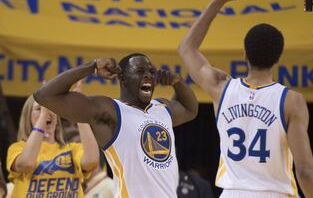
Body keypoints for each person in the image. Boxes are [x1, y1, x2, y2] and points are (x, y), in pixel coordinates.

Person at [178, 0, 313, 197]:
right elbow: (305, 170)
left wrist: (218, 2)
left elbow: (186, 48)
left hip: (232, 193)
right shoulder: (291, 101)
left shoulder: (221, 89)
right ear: (278, 59)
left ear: (244, 54)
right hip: (274, 193)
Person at [33, 53, 198, 197]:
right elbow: (44, 95)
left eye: (151, 72)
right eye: (140, 71)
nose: (148, 76)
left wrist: (178, 82)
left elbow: (190, 109)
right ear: (123, 78)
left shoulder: (162, 108)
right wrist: (93, 66)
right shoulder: (110, 111)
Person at [6, 95, 99, 198]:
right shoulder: (17, 148)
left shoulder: (72, 149)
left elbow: (92, 161)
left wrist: (80, 113)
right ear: (28, 117)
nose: (46, 112)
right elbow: (26, 164)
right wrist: (42, 119)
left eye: (51, 108)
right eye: (38, 109)